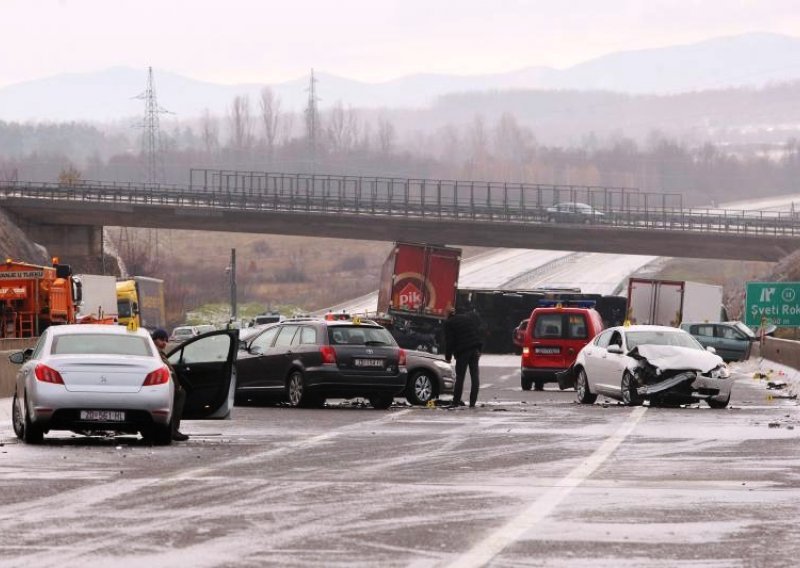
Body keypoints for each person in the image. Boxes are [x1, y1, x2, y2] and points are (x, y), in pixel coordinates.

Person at [151, 328, 189, 441]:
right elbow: (168, 371)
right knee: (180, 396)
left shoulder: (159, 353)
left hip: (167, 386)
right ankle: (173, 430)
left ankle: (173, 429)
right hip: (162, 386)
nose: (164, 343)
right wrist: (177, 387)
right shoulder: (156, 354)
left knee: (181, 394)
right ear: (154, 340)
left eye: (166, 340)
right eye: (161, 339)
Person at [444, 307, 483, 408]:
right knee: (475, 376)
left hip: (463, 352)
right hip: (474, 349)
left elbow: (450, 342)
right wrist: (479, 349)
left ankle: (456, 401)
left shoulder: (449, 323)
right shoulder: (466, 318)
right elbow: (476, 333)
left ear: (448, 314)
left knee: (460, 377)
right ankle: (472, 402)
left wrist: (448, 357)